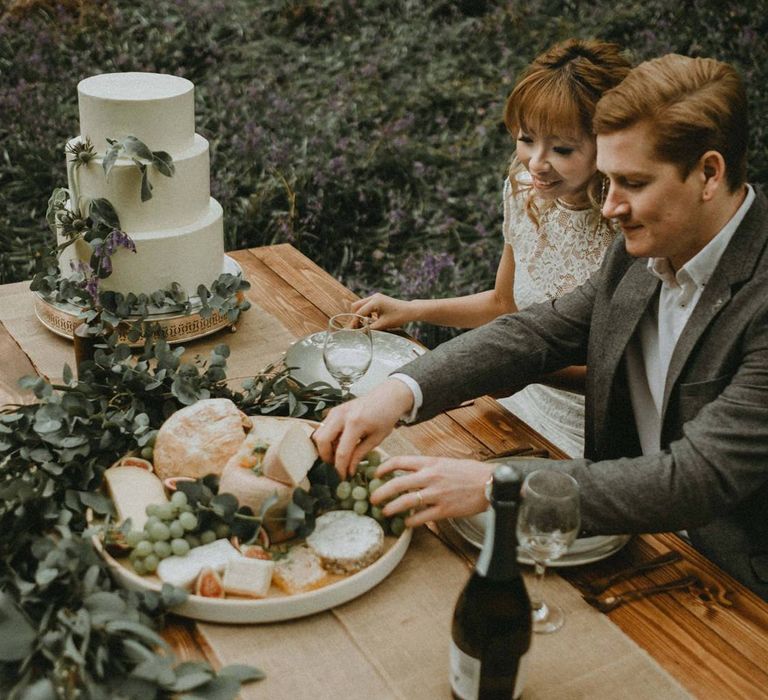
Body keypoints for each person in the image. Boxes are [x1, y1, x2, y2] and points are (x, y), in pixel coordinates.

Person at [313, 53, 768, 601]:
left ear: (709, 174)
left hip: (733, 579)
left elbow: (698, 478)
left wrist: (494, 484)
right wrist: (397, 392)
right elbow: (534, 333)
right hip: (619, 535)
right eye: (607, 180)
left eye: (633, 182)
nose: (612, 206)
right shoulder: (641, 252)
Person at [352, 39, 631, 457]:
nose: (537, 162)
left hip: (589, 432)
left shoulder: (631, 230)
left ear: (606, 143)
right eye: (527, 138)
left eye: (562, 149)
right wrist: (413, 308)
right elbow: (505, 304)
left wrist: (532, 371)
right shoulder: (524, 190)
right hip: (512, 401)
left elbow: (629, 377)